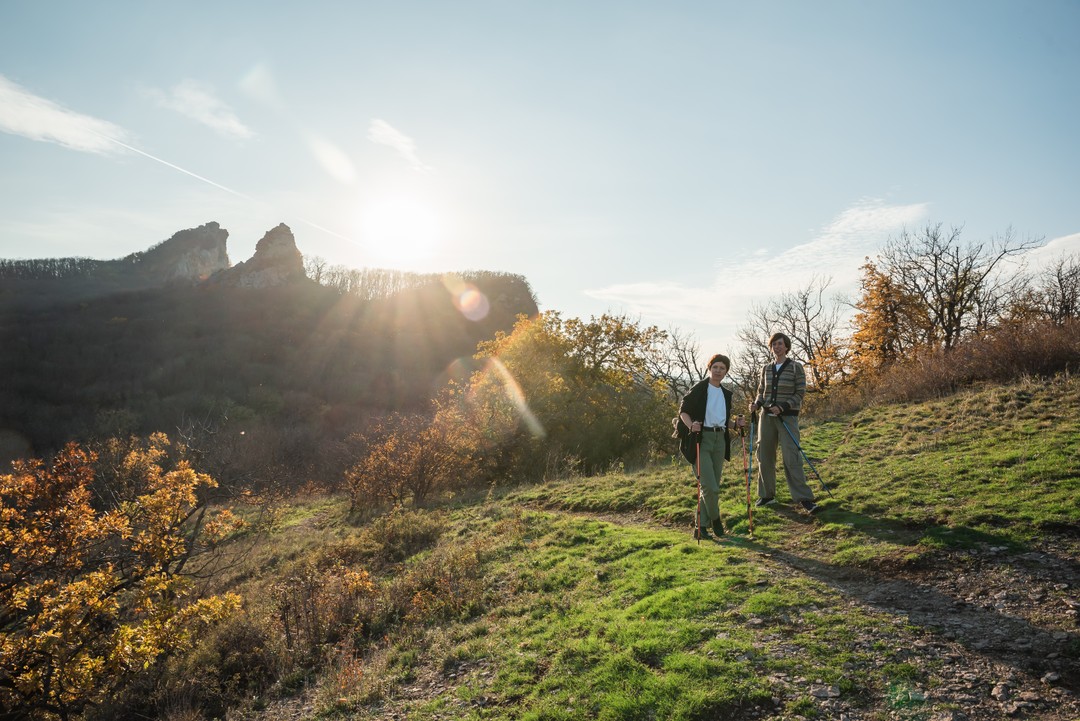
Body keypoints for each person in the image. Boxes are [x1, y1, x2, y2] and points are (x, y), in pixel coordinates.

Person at [748, 332, 818, 513]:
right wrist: (756, 404)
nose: (777, 347)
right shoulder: (766, 368)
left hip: (787, 417)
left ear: (786, 346)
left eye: (780, 344)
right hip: (766, 417)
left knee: (791, 457)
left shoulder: (796, 367)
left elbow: (800, 392)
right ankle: (766, 496)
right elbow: (761, 391)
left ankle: (804, 499)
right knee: (764, 455)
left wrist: (784, 407)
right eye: (774, 344)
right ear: (771, 348)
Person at [679, 353, 744, 539]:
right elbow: (683, 411)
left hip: (719, 441)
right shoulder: (699, 388)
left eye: (722, 368)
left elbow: (723, 421)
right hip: (701, 439)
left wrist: (736, 425)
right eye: (715, 367)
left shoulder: (726, 393)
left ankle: (700, 528)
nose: (718, 371)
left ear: (726, 372)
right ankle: (716, 520)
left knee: (709, 486)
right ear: (709, 368)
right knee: (710, 487)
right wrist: (691, 425)